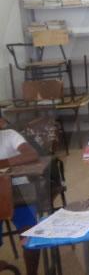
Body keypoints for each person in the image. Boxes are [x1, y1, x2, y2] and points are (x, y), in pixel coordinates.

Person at [0, 118, 40, 275]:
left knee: (29, 234)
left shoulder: (10, 135)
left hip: (19, 191)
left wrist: (3, 163)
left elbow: (31, 154)